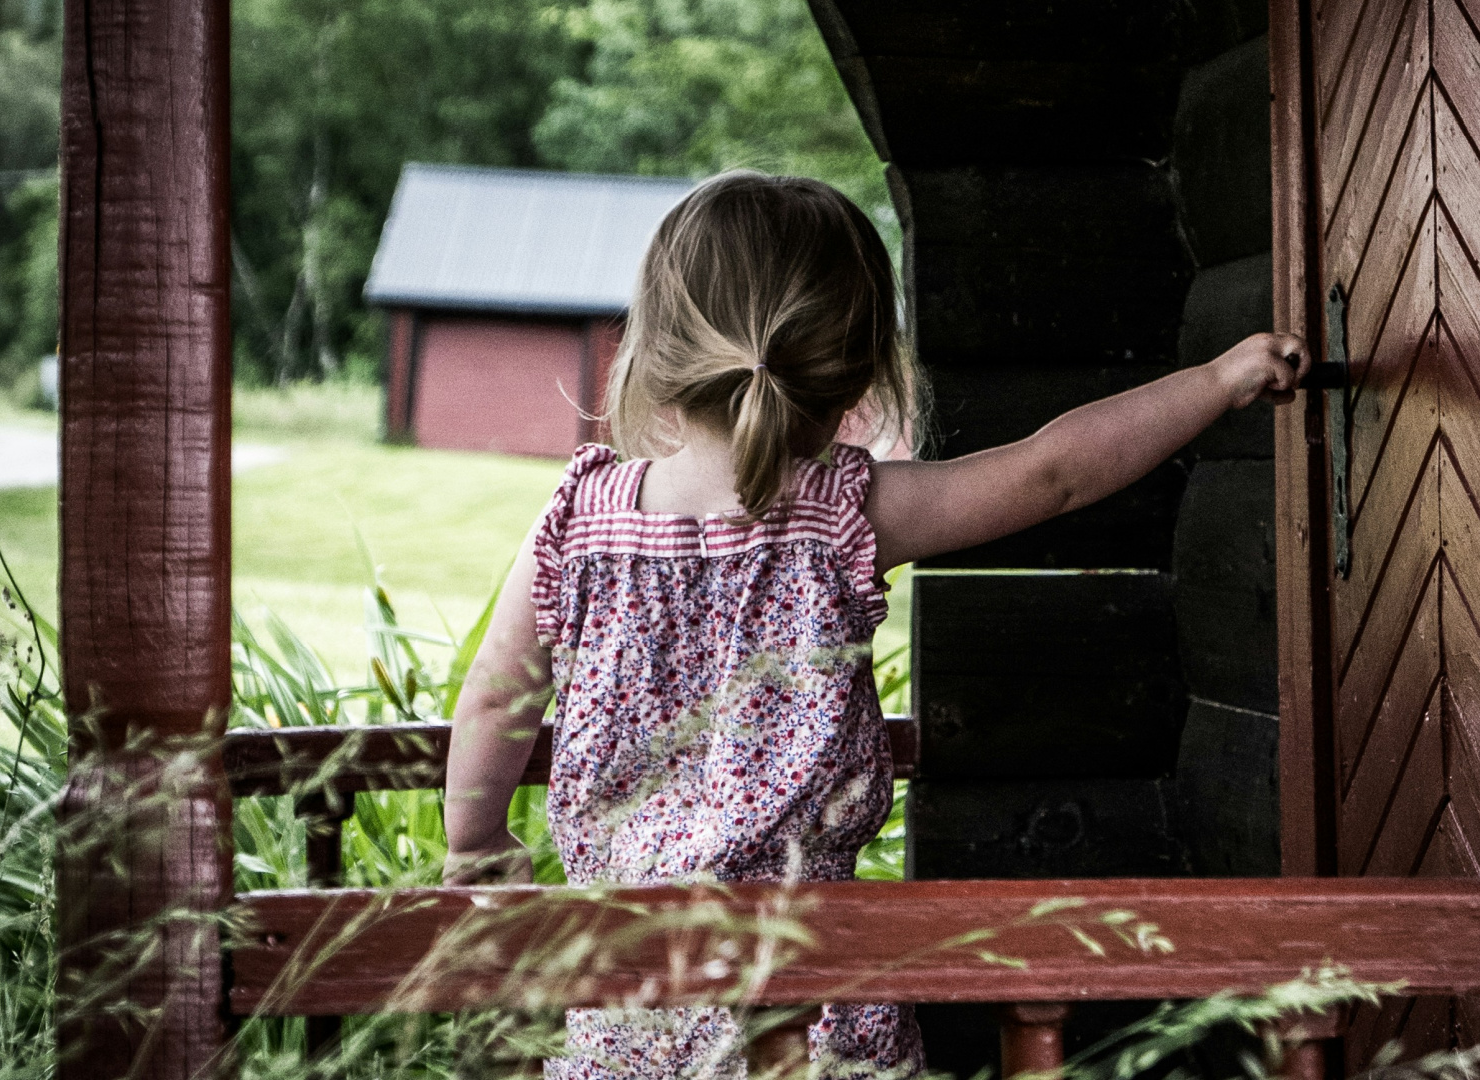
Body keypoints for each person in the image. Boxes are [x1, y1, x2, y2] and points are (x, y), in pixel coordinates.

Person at [442, 170, 1308, 1079]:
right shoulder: (844, 514)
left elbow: (499, 689)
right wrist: (1216, 379)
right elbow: (1054, 472)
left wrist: (477, 842)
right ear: (852, 367)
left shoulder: (581, 518)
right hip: (816, 988)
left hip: (630, 997)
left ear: (660, 340)